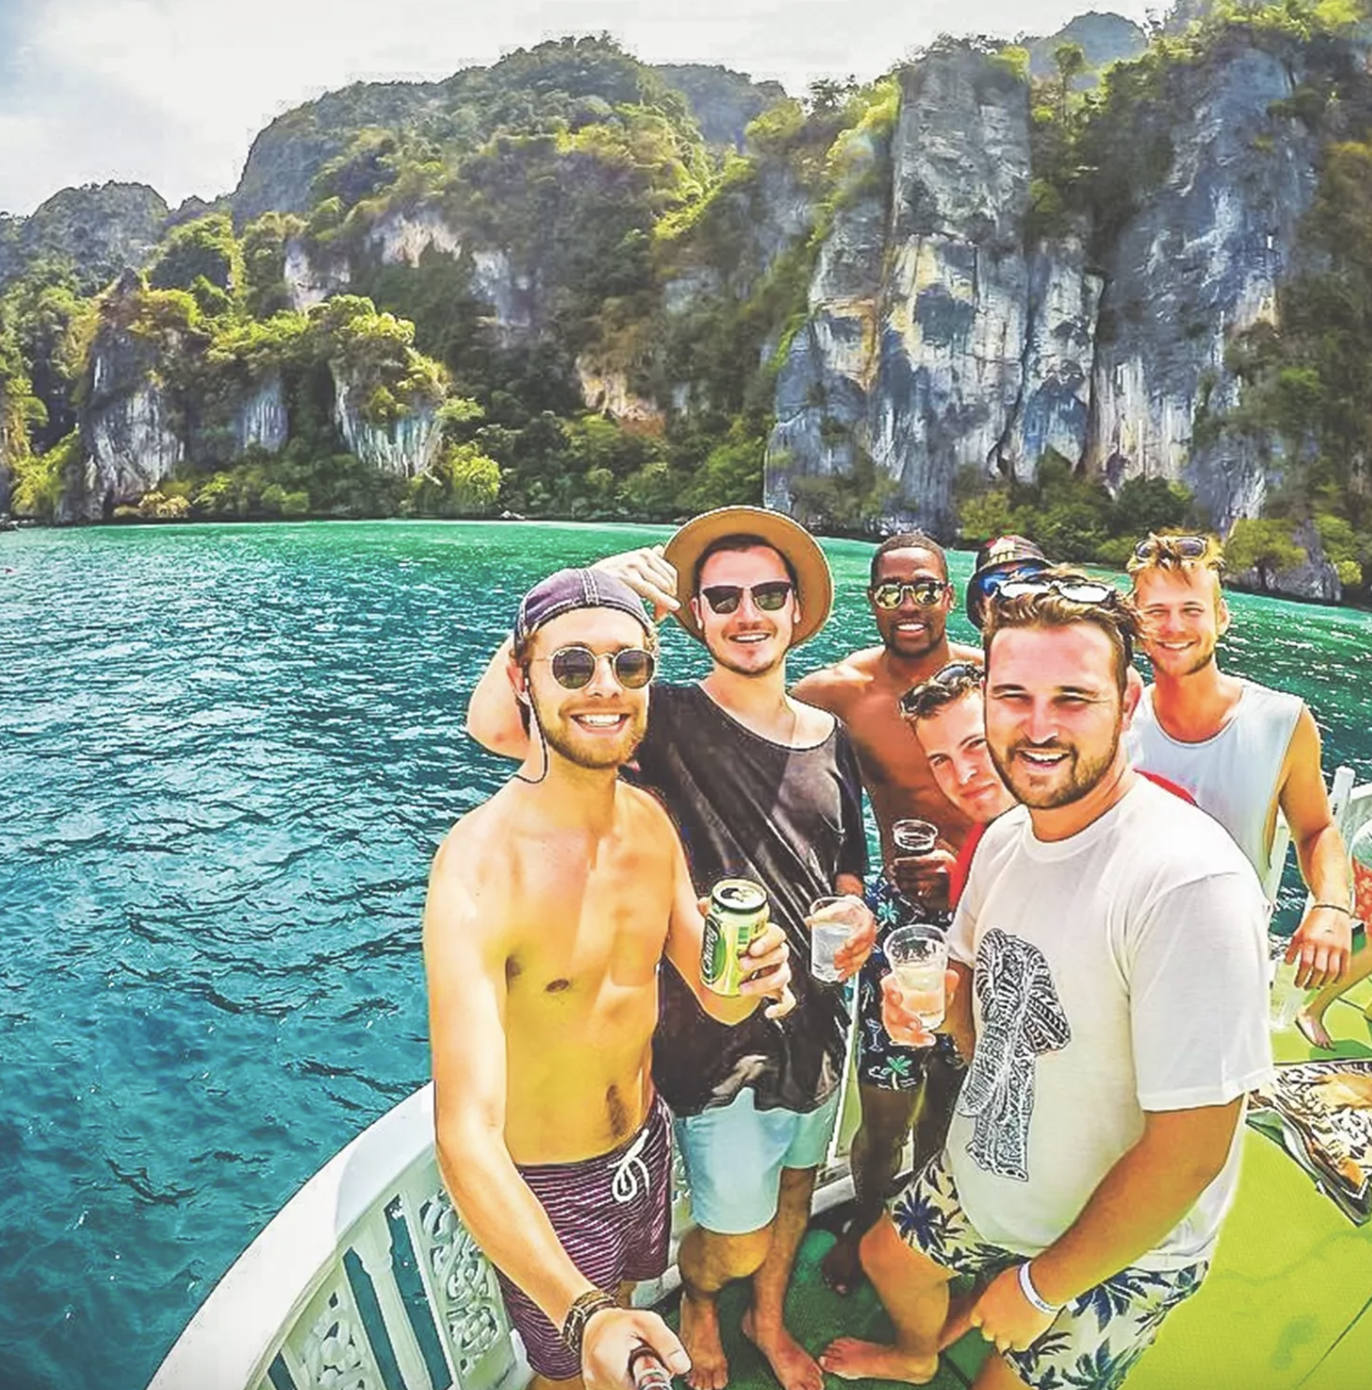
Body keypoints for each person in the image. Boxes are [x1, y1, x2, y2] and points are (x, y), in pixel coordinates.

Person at [817, 570, 1272, 1390]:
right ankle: (921, 1357)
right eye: (1014, 696)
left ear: (1127, 703)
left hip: (1123, 1244)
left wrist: (1038, 1285)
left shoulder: (1186, 884)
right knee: (891, 1259)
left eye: (1072, 699)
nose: (1035, 728)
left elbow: (1191, 1151)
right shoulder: (1003, 842)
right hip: (989, 1175)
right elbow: (971, 1012)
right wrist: (934, 1003)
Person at [465, 508, 875, 1390]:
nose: (748, 613)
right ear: (693, 618)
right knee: (733, 1238)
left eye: (769, 595)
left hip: (816, 1023)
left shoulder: (831, 737)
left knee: (800, 1188)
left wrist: (855, 913)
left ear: (797, 611)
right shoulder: (663, 717)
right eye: (722, 598)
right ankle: (704, 1305)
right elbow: (502, 728)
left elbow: (847, 863)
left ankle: (767, 1321)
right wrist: (602, 587)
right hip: (713, 1044)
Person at [426, 568, 796, 1390]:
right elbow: (466, 1133)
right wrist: (580, 1309)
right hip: (551, 1188)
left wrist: (756, 973)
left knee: (628, 1321)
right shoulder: (479, 870)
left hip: (645, 1145)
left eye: (630, 667)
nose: (606, 689)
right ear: (523, 683)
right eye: (572, 668)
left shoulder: (648, 822)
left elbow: (713, 991)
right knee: (573, 1372)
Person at [790, 533, 981, 1295]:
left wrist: (961, 868)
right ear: (870, 599)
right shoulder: (838, 693)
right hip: (901, 924)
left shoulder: (992, 675)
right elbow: (744, 722)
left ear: (947, 593)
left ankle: (923, 1229)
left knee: (956, 1089)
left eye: (926, 589)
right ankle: (870, 1221)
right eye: (893, 590)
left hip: (990, 905)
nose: (910, 606)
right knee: (887, 1098)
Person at [1126, 533, 1354, 1001]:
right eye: (1157, 612)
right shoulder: (1115, 722)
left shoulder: (1281, 721)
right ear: (1136, 623)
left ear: (1222, 618)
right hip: (1126, 962)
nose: (1174, 627)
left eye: (1192, 610)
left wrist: (1330, 906)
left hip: (1228, 968)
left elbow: (1316, 831)